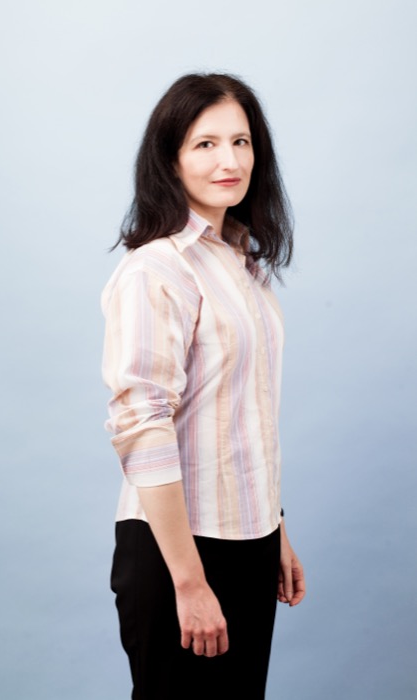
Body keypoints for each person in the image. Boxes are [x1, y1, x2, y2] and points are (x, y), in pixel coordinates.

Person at [101, 72, 305, 700]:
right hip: (178, 551)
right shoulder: (156, 269)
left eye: (241, 142)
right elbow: (143, 426)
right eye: (206, 144)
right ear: (171, 159)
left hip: (249, 539)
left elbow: (245, 413)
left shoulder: (242, 262)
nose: (230, 161)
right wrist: (189, 584)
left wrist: (274, 528)